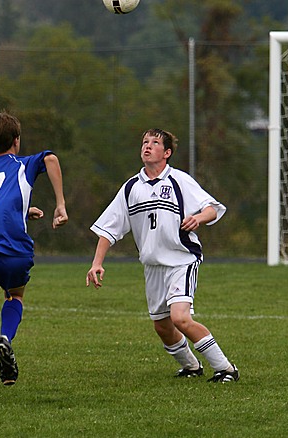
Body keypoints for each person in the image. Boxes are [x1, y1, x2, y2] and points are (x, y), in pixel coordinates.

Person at [86, 128, 239, 383]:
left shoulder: (179, 180)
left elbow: (212, 208)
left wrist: (198, 218)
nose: (147, 146)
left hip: (181, 260)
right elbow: (109, 228)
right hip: (153, 266)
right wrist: (97, 263)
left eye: (155, 143)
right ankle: (191, 366)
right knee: (162, 326)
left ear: (166, 153)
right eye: (144, 142)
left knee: (180, 318)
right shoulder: (131, 188)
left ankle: (226, 368)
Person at [0, 111, 68, 386]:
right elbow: (50, 158)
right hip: (14, 251)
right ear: (16, 141)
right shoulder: (22, 165)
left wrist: (23, 210)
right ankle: (5, 337)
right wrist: (60, 204)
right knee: (14, 295)